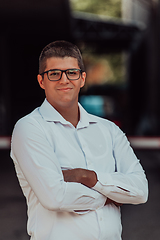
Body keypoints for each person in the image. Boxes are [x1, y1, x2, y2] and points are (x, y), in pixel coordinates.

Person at [11, 40, 148, 240]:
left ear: (82, 78)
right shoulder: (30, 128)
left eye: (71, 72)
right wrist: (112, 194)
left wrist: (87, 177)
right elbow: (55, 197)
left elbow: (141, 191)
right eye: (54, 73)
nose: (64, 80)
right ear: (42, 81)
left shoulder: (109, 130)